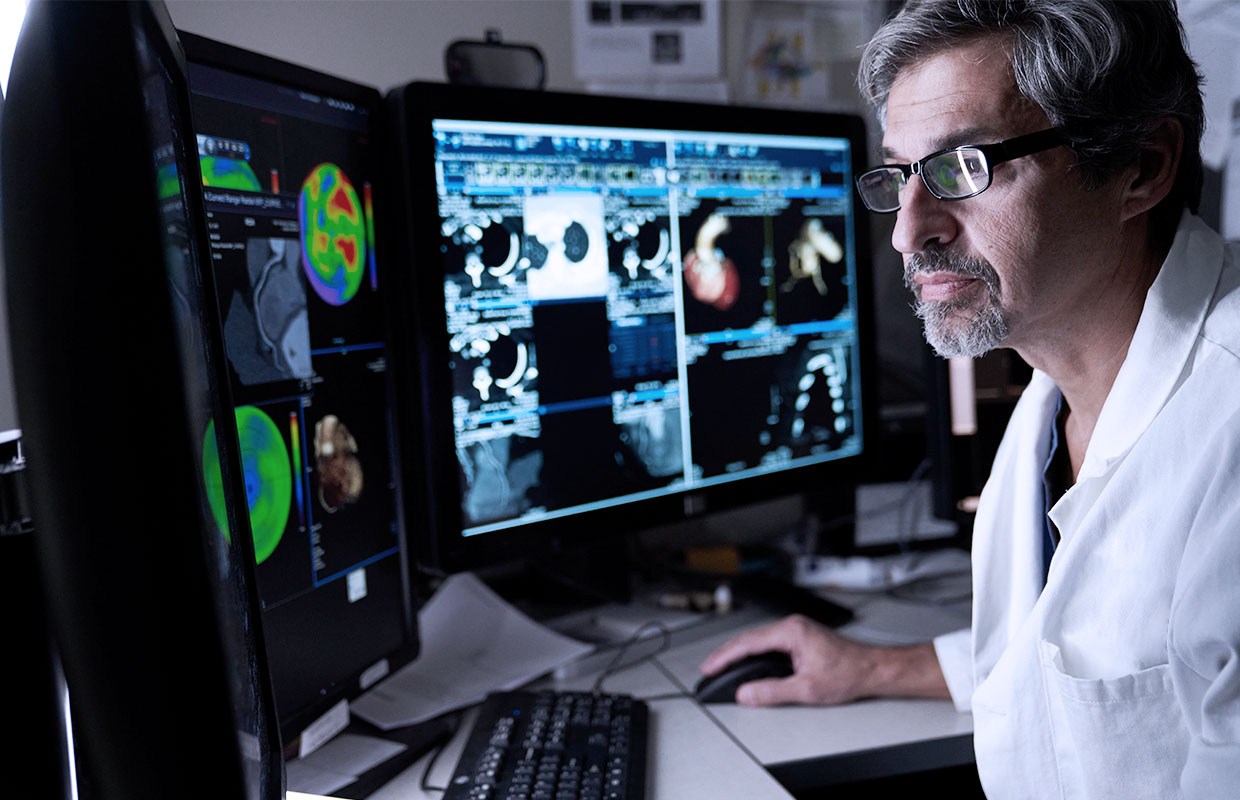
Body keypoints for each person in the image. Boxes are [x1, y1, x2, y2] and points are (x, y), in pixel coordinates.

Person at [699, 1, 1240, 796]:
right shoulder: (1054, 386)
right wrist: (877, 666)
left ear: (1143, 166)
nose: (907, 232)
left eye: (964, 168)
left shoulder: (1225, 429)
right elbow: (1086, 651)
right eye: (900, 175)